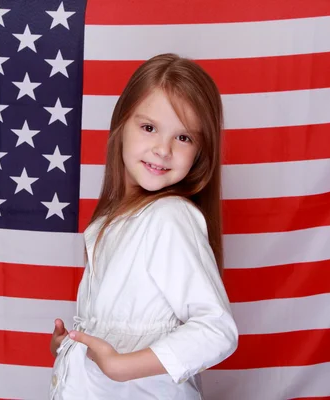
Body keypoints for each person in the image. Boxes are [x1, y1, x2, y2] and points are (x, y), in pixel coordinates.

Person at [49, 53, 239, 399]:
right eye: (149, 127)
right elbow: (117, 326)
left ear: (201, 152)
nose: (162, 149)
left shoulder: (169, 218)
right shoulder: (112, 221)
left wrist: (122, 365)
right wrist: (74, 347)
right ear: (121, 125)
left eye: (184, 138)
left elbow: (216, 329)